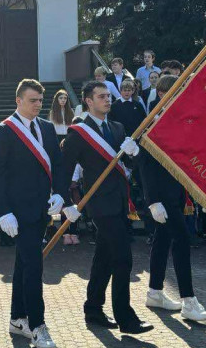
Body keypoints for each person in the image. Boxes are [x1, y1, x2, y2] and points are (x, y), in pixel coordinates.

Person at [59, 80, 151, 334]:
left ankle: (93, 308)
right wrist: (66, 203)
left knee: (104, 257)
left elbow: (131, 167)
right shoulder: (79, 131)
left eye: (108, 96)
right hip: (99, 204)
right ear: (88, 101)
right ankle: (126, 318)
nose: (107, 100)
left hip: (121, 201)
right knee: (123, 257)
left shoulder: (118, 127)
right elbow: (64, 170)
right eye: (101, 97)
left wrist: (134, 153)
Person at [0, 78, 69, 348]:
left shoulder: (46, 127)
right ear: (18, 100)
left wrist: (60, 193)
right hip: (17, 212)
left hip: (42, 209)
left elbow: (58, 164)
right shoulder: (4, 130)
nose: (37, 105)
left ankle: (17, 319)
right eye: (32, 100)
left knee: (24, 263)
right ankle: (37, 326)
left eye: (40, 101)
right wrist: (3, 212)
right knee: (34, 266)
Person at [140, 74, 206, 321]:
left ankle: (155, 291)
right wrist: (152, 200)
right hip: (161, 197)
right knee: (182, 240)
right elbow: (145, 165)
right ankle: (188, 300)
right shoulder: (152, 123)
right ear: (161, 95)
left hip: (176, 193)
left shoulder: (180, 121)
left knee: (163, 240)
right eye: (176, 92)